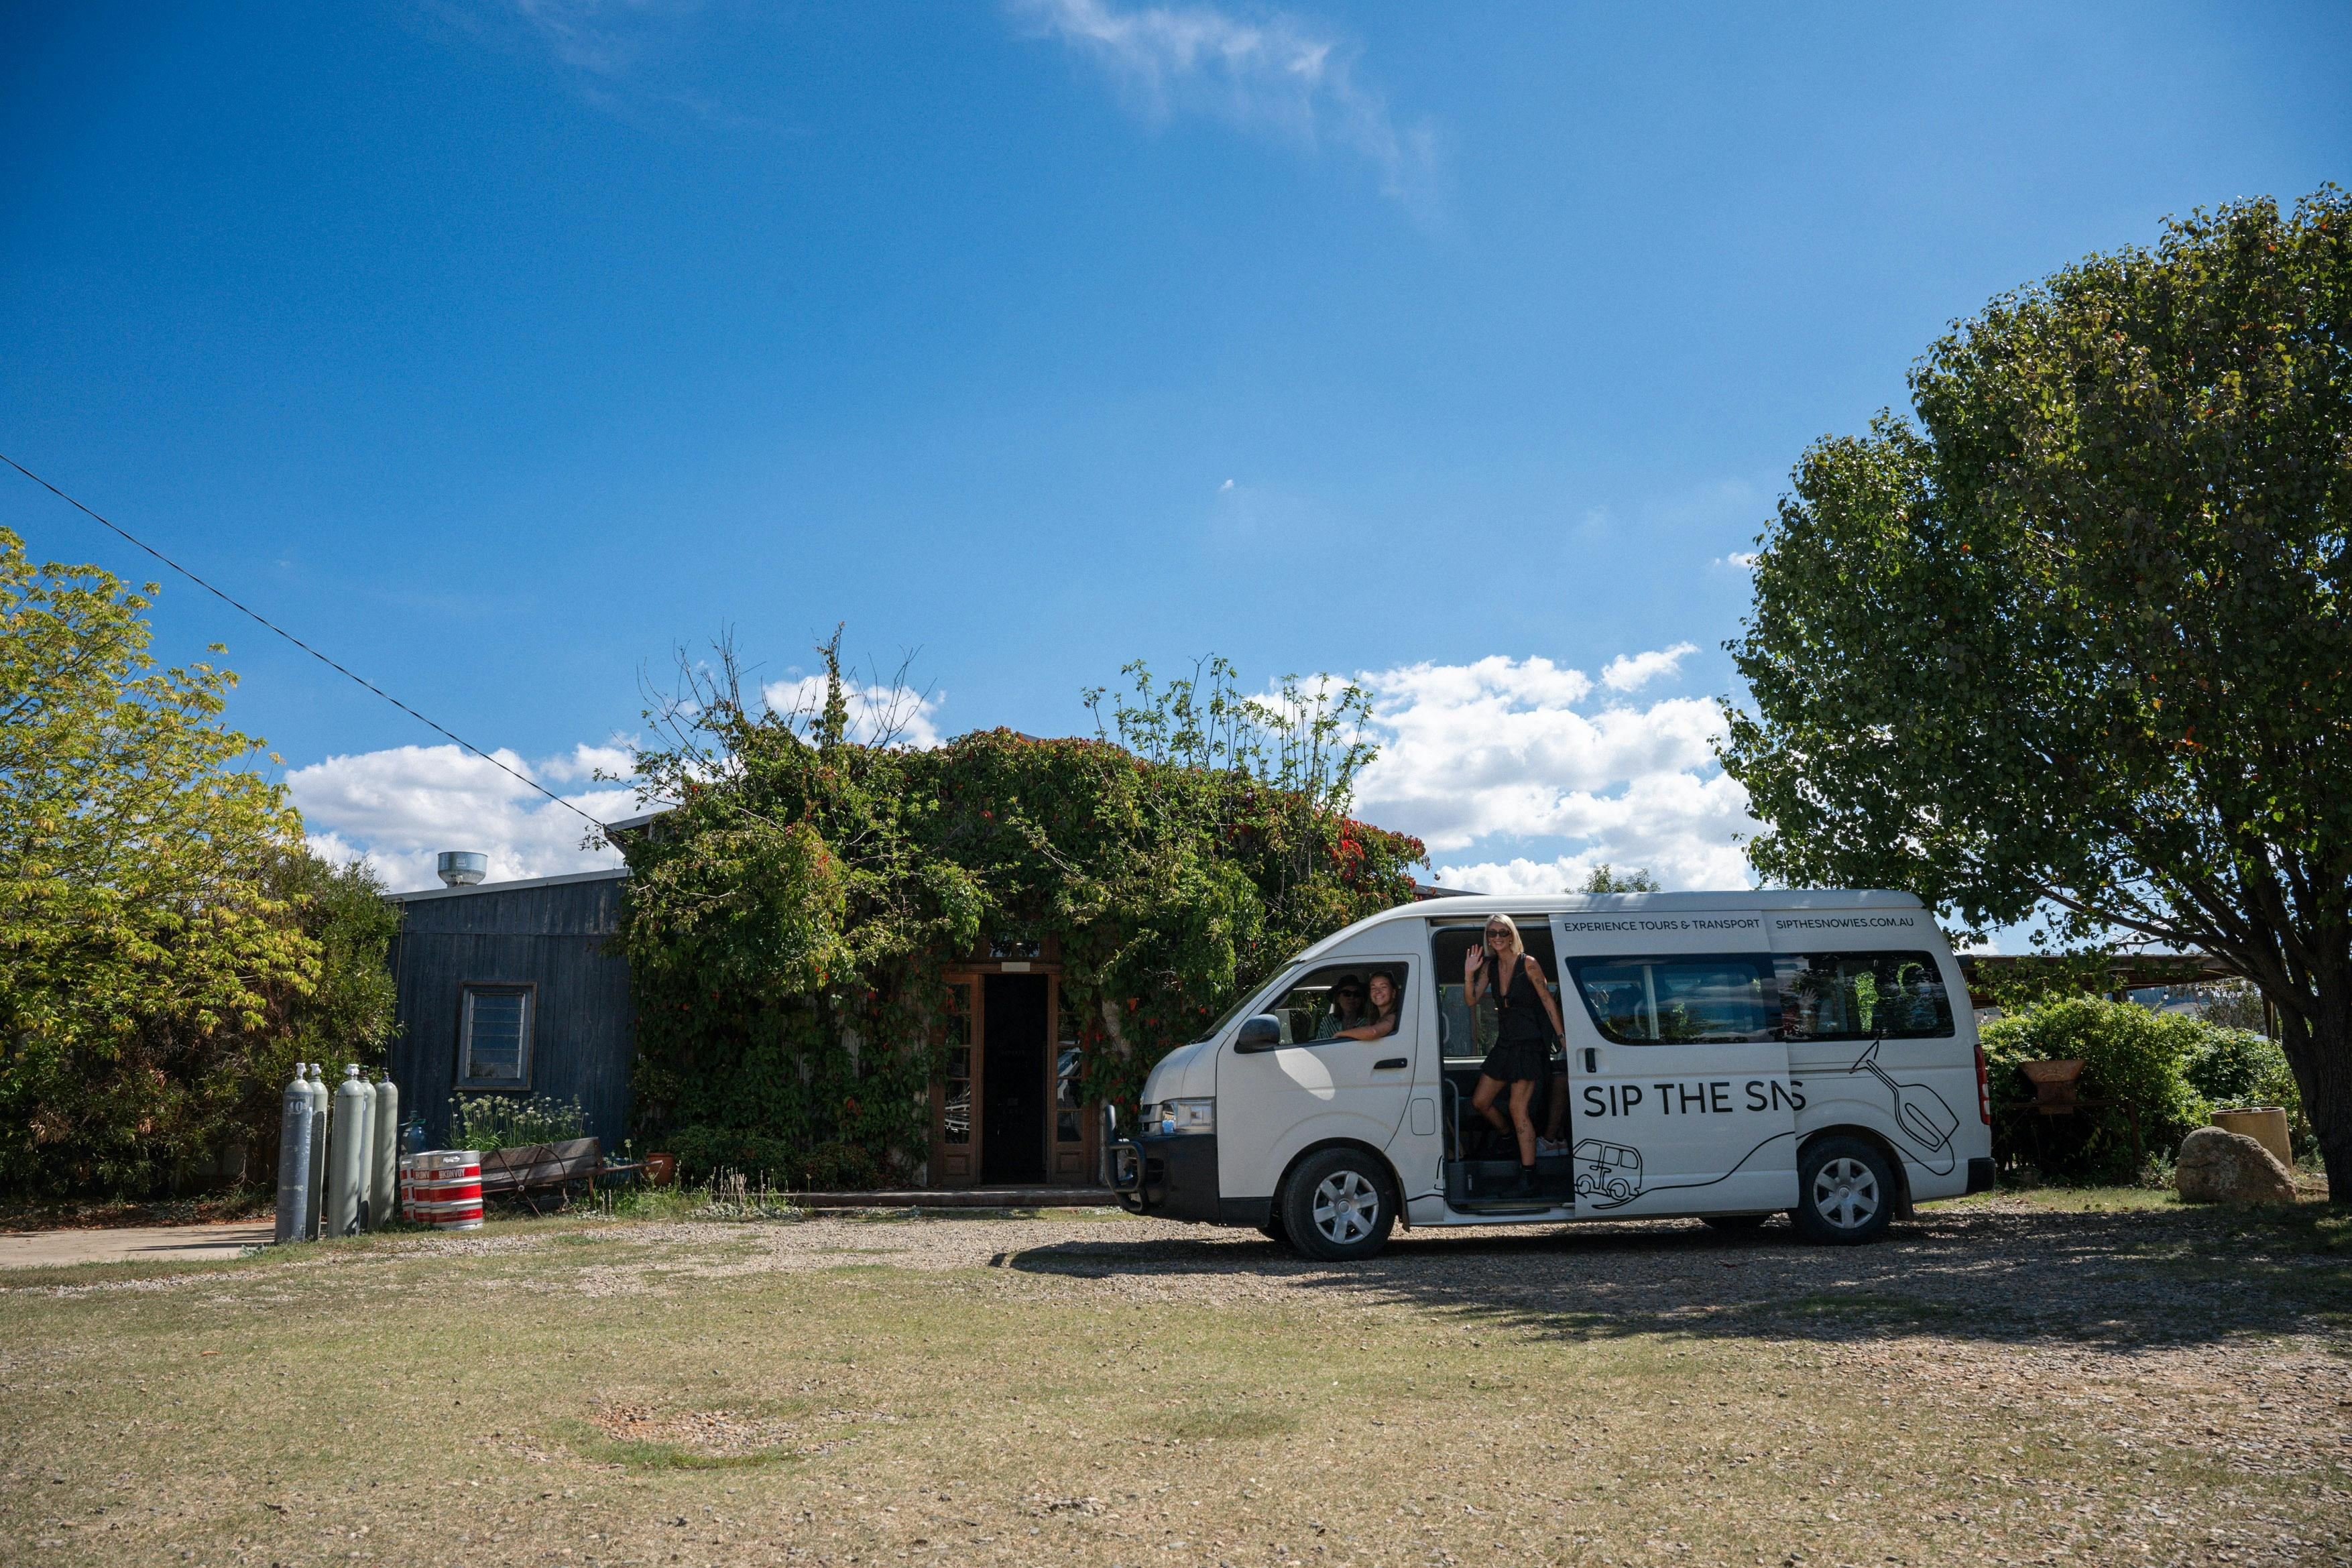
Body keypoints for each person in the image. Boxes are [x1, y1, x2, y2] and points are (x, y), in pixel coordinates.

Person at [1466, 914, 1564, 1195]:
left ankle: (1528, 1177)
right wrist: (1469, 972)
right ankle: (1509, 1137)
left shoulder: (1529, 963)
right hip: (1505, 1044)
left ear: (1511, 935)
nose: (1497, 938)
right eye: (1492, 933)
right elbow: (1471, 1000)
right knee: (1480, 1101)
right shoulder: (1490, 966)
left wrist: (1562, 1037)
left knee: (1517, 1108)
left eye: (1502, 932)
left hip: (1529, 1044)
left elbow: (1547, 1001)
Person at [1332, 971, 1403, 1041]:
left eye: (1383, 987)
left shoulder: (1394, 1017)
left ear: (1393, 993)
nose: (1378, 991)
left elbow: (1373, 1032)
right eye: (1373, 988)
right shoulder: (1375, 1018)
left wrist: (1339, 1034)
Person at [1313, 975, 1372, 1039]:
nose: (1352, 998)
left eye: (1357, 994)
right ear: (1338, 998)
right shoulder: (1328, 1022)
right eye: (1347, 993)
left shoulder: (1368, 1022)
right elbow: (1319, 1045)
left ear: (1361, 999)